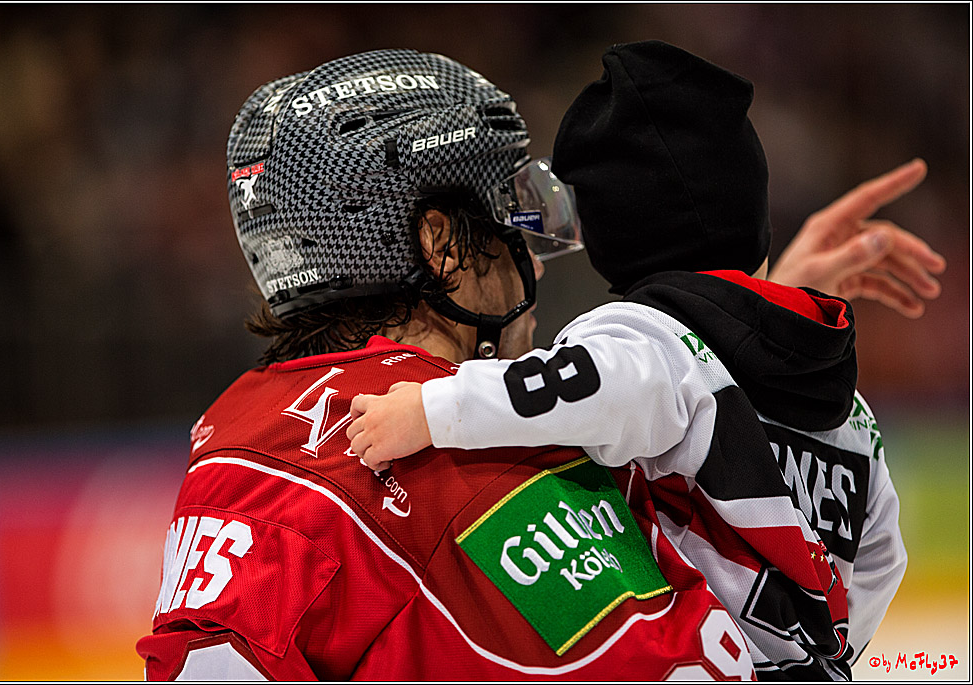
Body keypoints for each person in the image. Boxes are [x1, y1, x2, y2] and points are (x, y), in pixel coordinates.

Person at [135, 48, 759, 680]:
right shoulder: (479, 458)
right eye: (511, 222)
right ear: (442, 248)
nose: (535, 262)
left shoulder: (235, 426)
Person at [348, 41, 940, 679]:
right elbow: (881, 557)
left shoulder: (640, 338)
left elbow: (577, 385)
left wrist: (430, 410)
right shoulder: (850, 409)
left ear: (609, 240)